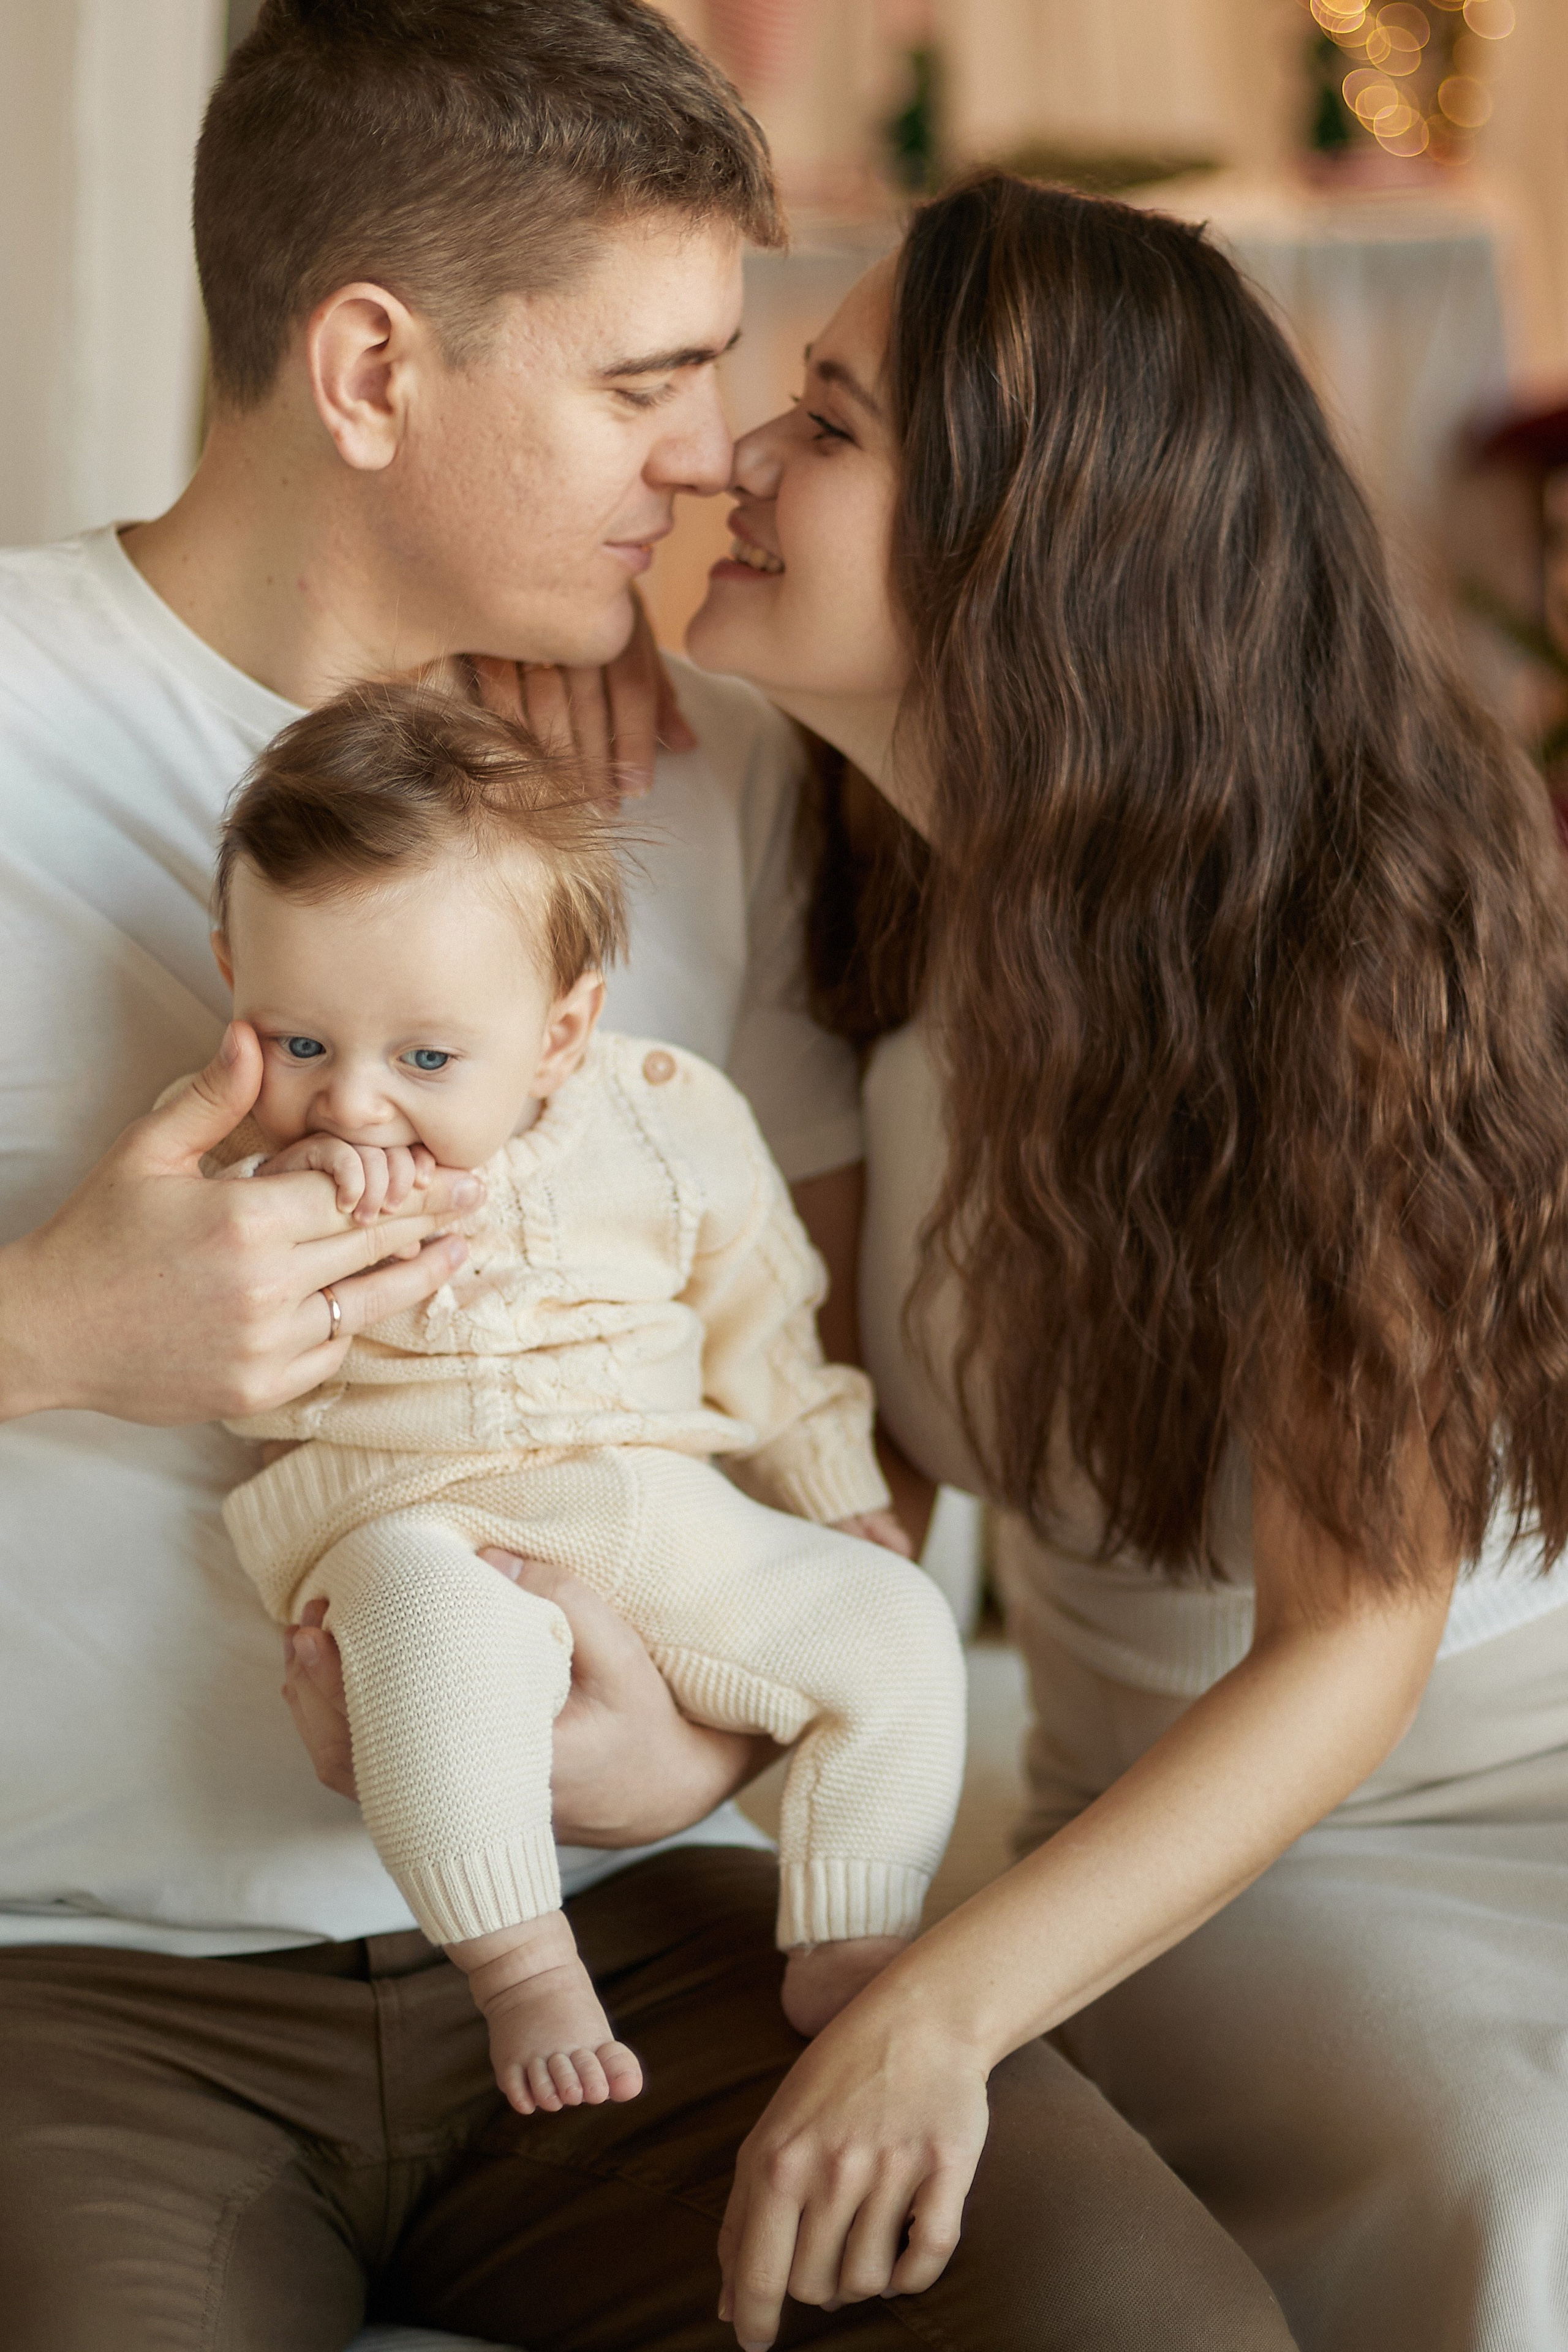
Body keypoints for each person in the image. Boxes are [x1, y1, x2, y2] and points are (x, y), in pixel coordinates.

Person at [0, 6, 1297, 2347]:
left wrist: (705, 1730)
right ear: (373, 373)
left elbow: (817, 1396)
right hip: (89, 1989)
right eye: (641, 385)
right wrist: (54, 1334)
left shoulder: (704, 772)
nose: (712, 463)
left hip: (665, 1943)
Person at [681, 172, 1568, 2352]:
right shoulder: (850, 871)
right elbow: (856, 1464)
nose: (738, 461)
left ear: (1034, 535)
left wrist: (946, 2004)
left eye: (831, 422)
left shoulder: (1345, 950)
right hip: (1154, 1830)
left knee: (1506, 2186)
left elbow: (1355, 1644)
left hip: (1434, 1783)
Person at [203, 683, 959, 2109]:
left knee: (897, 1626)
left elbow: (765, 1322)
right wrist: (289, 1213)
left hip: (658, 1507)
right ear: (237, 980)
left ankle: (851, 1928)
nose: (355, 1106)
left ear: (559, 1035)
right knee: (439, 1645)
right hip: (411, 1520)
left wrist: (834, 1490)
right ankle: (523, 1967)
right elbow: (236, 1362)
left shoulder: (671, 1121)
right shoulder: (254, 1196)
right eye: (299, 1045)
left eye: (426, 1059)